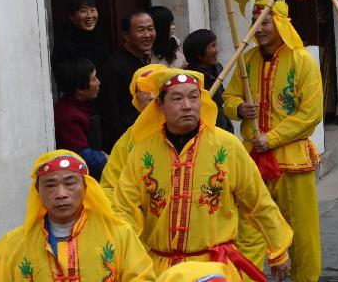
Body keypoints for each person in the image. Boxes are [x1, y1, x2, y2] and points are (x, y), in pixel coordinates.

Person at [112, 67, 294, 280]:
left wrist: (278, 248)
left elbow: (258, 201)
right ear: (159, 105)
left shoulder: (226, 146)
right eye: (177, 98)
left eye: (193, 97)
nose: (187, 106)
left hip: (213, 268)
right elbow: (124, 209)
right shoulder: (142, 151)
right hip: (161, 270)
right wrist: (122, 255)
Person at [223, 0, 322, 282]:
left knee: (301, 231)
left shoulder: (302, 60)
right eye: (255, 23)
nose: (259, 30)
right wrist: (240, 109)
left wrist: (273, 138)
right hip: (252, 158)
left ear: (281, 24)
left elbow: (310, 114)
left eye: (265, 23)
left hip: (291, 160)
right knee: (250, 227)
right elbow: (229, 98)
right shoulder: (247, 59)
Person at [0, 150, 154, 282]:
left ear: (86, 187)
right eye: (50, 185)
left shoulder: (119, 234)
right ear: (38, 191)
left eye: (70, 183)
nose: (61, 193)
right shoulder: (15, 244)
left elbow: (141, 277)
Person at [100, 64, 170, 200]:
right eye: (144, 89)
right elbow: (109, 187)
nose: (151, 96)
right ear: (135, 97)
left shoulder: (193, 132)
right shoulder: (127, 141)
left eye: (157, 87)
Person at [98, 10, 155, 152]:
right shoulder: (114, 68)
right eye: (141, 30)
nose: (147, 35)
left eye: (150, 29)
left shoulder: (145, 61)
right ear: (126, 36)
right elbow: (110, 116)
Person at [53, 58, 107, 177]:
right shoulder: (68, 116)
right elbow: (82, 156)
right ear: (80, 89)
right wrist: (107, 159)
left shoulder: (82, 105)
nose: (98, 82)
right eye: (94, 79)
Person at [50, 0, 109, 84]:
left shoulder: (101, 38)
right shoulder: (63, 45)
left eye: (92, 10)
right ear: (71, 16)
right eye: (83, 11)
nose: (89, 16)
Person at [184, 28, 234, 133]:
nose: (217, 50)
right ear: (199, 53)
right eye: (212, 46)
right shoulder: (188, 78)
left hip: (222, 128)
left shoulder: (217, 69)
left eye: (215, 45)